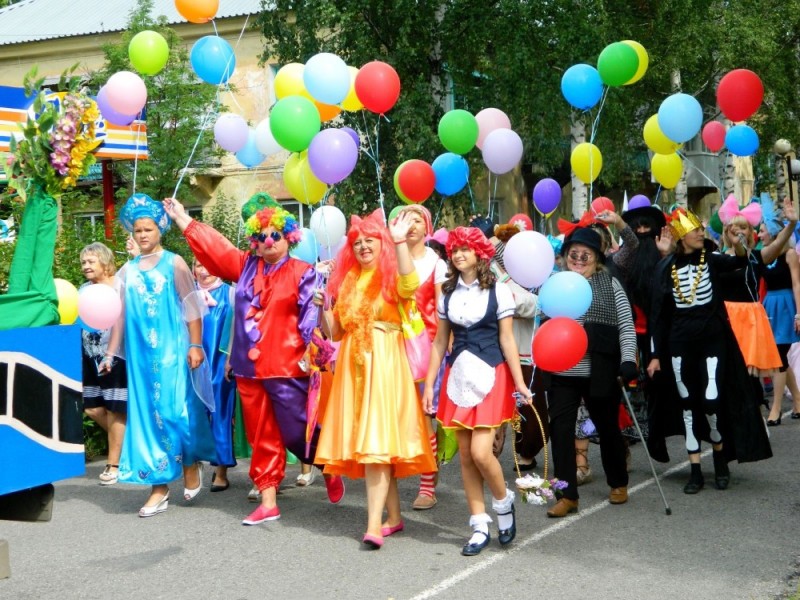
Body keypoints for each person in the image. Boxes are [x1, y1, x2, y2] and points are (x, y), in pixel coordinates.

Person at [163, 193, 345, 526]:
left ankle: (326, 464)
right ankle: (268, 499)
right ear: (254, 242)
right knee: (261, 436)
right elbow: (216, 250)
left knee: (297, 431)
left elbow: (309, 318)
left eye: (275, 234)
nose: (268, 241)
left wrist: (310, 350)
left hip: (287, 366)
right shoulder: (245, 266)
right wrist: (182, 219)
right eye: (261, 236)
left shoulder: (304, 272)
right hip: (250, 369)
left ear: (288, 237)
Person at [314, 209, 436, 550]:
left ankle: (373, 525)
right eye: (357, 242)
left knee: (376, 444)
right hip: (354, 368)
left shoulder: (391, 273)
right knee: (374, 443)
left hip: (384, 365)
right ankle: (393, 517)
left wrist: (398, 243)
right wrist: (325, 306)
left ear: (381, 243)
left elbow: (410, 285)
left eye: (370, 240)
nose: (363, 246)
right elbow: (336, 333)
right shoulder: (349, 280)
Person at [423, 226, 532, 556]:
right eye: (454, 250)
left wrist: (520, 383)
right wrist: (429, 385)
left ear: (479, 254)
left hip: (492, 373)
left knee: (483, 453)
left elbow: (507, 340)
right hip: (459, 375)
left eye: (465, 249)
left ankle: (502, 503)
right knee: (467, 458)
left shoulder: (499, 292)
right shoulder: (447, 292)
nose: (457, 254)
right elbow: (441, 341)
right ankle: (479, 524)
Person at [105, 193, 215, 517]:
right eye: (138, 230)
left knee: (174, 413)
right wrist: (111, 354)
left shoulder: (175, 263)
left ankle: (190, 461)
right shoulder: (126, 271)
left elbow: (192, 306)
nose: (143, 235)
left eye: (148, 229)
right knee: (147, 420)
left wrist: (195, 345)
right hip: (141, 362)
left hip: (173, 354)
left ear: (159, 230)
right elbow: (119, 317)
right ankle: (159, 487)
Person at [648, 208, 772, 494]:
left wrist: (740, 244)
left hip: (712, 340)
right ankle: (694, 470)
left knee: (711, 400)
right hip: (680, 342)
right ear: (681, 236)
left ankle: (719, 455)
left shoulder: (713, 260)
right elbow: (658, 313)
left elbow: (743, 263)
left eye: (701, 229)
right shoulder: (667, 266)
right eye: (695, 230)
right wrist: (655, 355)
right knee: (687, 403)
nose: (701, 232)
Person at [542, 227, 637, 518]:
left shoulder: (609, 284)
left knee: (607, 428)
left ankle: (618, 482)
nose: (579, 259)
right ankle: (567, 494)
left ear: (597, 258)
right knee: (560, 432)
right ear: (565, 256)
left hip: (599, 367)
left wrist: (629, 359)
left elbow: (626, 324)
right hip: (561, 370)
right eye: (574, 254)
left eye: (587, 254)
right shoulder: (553, 284)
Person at [716, 195, 787, 411]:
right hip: (726, 319)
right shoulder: (717, 259)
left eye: (744, 227)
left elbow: (779, 242)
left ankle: (755, 420)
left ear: (751, 232)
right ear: (726, 232)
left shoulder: (757, 257)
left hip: (750, 321)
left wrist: (792, 223)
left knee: (750, 378)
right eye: (734, 227)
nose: (739, 231)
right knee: (728, 376)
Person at [398, 204, 448, 510]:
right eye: (406, 220)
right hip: (393, 346)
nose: (412, 225)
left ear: (427, 227)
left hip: (427, 349)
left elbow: (443, 308)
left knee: (426, 415)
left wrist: (447, 342)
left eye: (419, 220)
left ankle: (427, 485)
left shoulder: (436, 263)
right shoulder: (388, 259)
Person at [79, 242, 127, 486]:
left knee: (114, 409)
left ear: (105, 262)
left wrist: (110, 354)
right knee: (92, 408)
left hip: (115, 356)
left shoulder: (119, 285)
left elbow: (122, 321)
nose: (86, 266)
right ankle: (127, 446)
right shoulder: (84, 289)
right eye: (83, 263)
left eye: (91, 262)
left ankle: (114, 463)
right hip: (89, 356)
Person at [192, 259, 237, 491]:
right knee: (193, 416)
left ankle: (221, 470)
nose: (205, 270)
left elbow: (236, 329)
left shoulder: (230, 293)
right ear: (193, 270)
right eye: (199, 265)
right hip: (193, 364)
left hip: (221, 364)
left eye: (209, 264)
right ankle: (193, 467)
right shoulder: (187, 296)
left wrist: (230, 358)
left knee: (220, 414)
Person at [757, 195, 800, 424]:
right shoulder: (763, 255)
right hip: (769, 307)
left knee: (778, 357)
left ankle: (775, 409)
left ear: (774, 233)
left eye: (763, 231)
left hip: (786, 306)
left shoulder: (790, 254)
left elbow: (797, 284)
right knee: (779, 357)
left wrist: (799, 313)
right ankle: (798, 401)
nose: (760, 234)